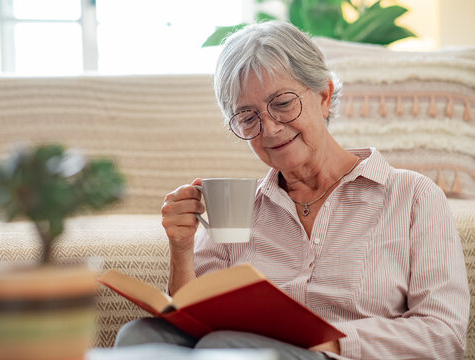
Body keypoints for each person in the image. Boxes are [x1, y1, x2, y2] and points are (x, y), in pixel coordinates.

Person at [114, 21, 469, 359]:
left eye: (282, 103)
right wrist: (181, 247)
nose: (269, 129)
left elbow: (443, 334)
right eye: (248, 117)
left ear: (324, 95)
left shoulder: (412, 196)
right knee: (140, 337)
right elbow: (192, 317)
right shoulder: (239, 206)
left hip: (336, 356)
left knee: (227, 348)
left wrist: (329, 341)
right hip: (238, 349)